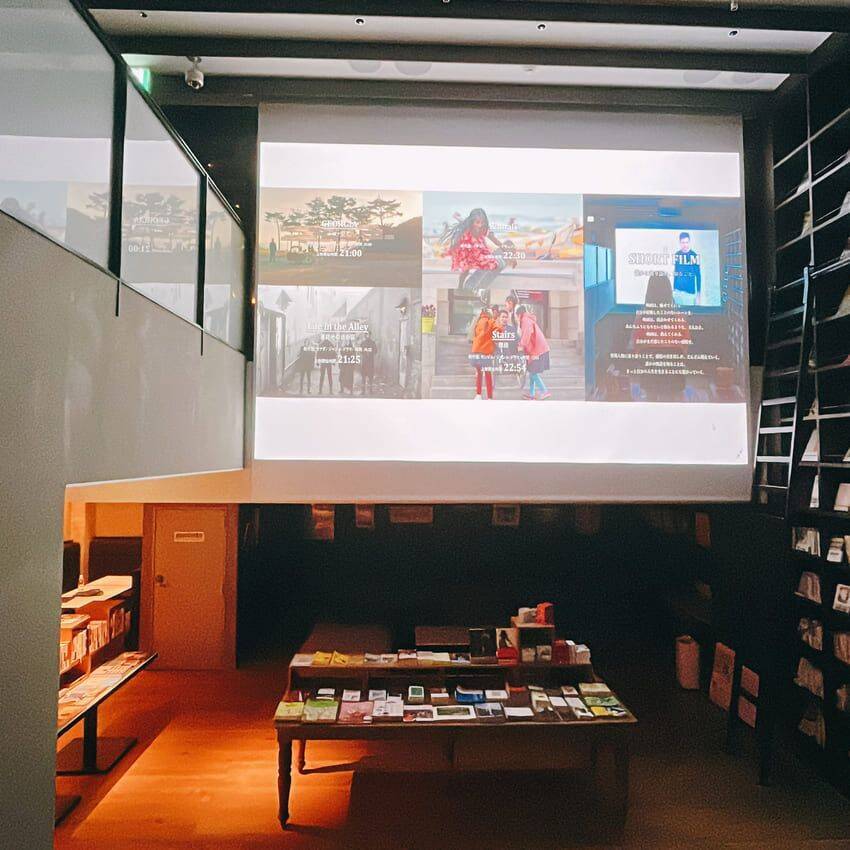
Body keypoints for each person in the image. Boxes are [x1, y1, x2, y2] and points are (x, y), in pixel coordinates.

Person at [630, 272, 691, 401]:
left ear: (649, 293)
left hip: (649, 380)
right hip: (675, 380)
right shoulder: (680, 319)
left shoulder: (640, 319)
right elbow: (685, 351)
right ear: (669, 292)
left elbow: (637, 351)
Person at [442, 208, 516, 301]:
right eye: (477, 222)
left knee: (492, 259)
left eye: (482, 222)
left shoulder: (484, 229)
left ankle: (471, 285)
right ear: (472, 221)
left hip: (479, 251)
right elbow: (463, 222)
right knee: (465, 269)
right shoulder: (468, 227)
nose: (480, 225)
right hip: (468, 250)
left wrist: (510, 255)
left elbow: (496, 241)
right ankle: (460, 286)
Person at [517, 305, 551, 400]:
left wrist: (521, 345)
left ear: (519, 315)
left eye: (516, 316)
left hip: (538, 350)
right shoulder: (528, 319)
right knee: (532, 372)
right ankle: (531, 394)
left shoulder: (525, 320)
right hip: (538, 350)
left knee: (532, 373)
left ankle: (544, 391)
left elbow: (526, 335)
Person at [469, 307, 496, 400]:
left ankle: (478, 394)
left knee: (479, 373)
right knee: (488, 374)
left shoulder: (477, 321)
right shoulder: (490, 321)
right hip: (486, 351)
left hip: (476, 350)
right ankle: (489, 397)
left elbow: (472, 334)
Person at [673, 231, 701, 307]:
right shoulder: (677, 254)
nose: (685, 245)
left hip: (690, 293)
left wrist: (698, 295)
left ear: (689, 242)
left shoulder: (694, 255)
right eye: (683, 242)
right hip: (678, 292)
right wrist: (674, 290)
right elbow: (676, 273)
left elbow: (698, 275)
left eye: (686, 242)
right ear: (680, 243)